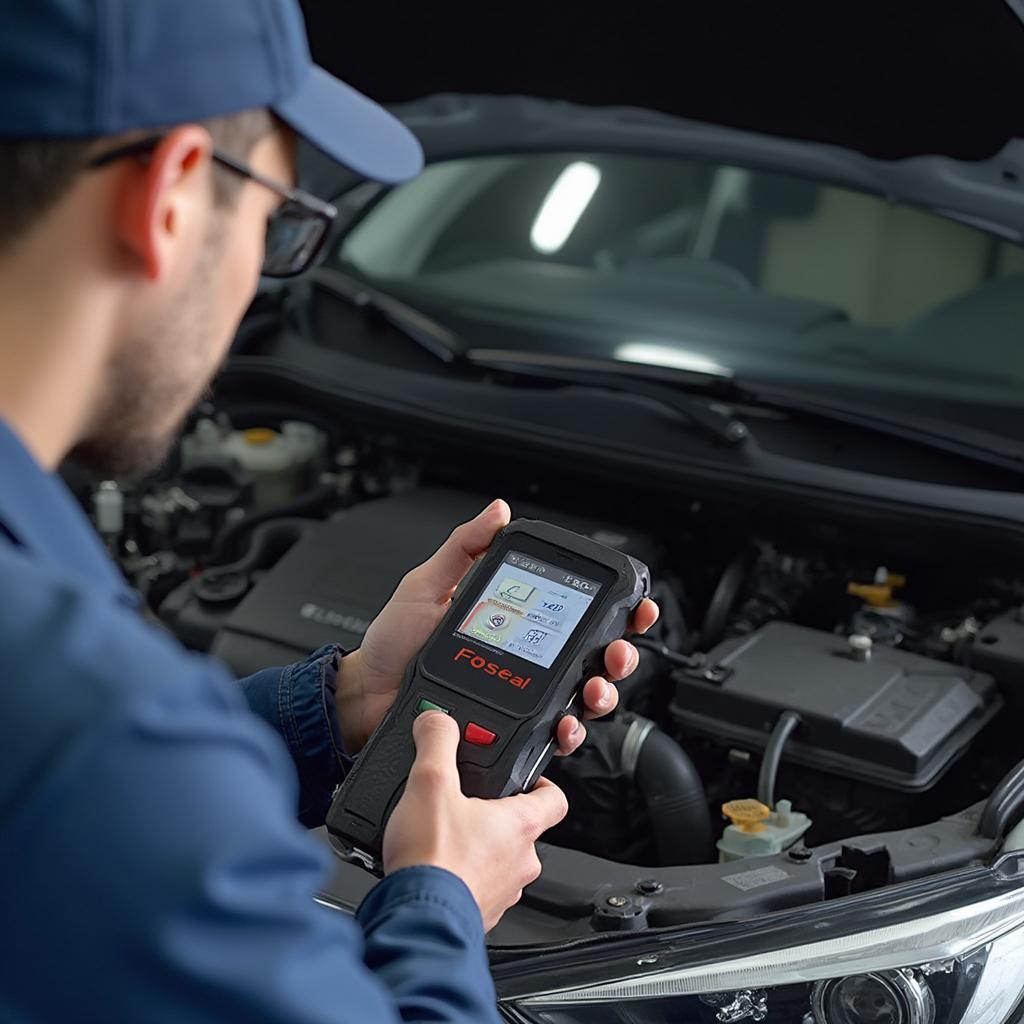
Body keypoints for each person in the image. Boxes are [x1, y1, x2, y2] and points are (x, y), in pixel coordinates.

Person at [0, 2, 660, 1021]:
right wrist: (439, 896)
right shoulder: (89, 727)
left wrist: (339, 706)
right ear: (168, 195)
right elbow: (94, 774)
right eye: (275, 216)